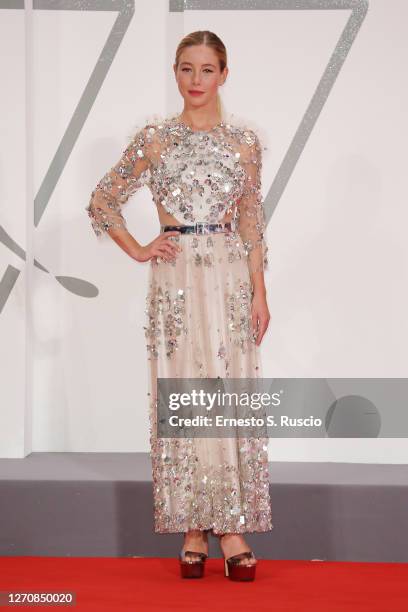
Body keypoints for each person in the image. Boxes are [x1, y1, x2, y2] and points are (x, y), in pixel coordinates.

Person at [86, 30, 273, 581]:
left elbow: (251, 222)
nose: (196, 80)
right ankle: (194, 526)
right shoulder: (155, 140)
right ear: (175, 73)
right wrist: (142, 248)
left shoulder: (244, 143)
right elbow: (103, 200)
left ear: (224, 74)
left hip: (230, 276)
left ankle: (231, 525)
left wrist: (261, 290)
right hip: (174, 280)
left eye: (207, 70)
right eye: (186, 69)